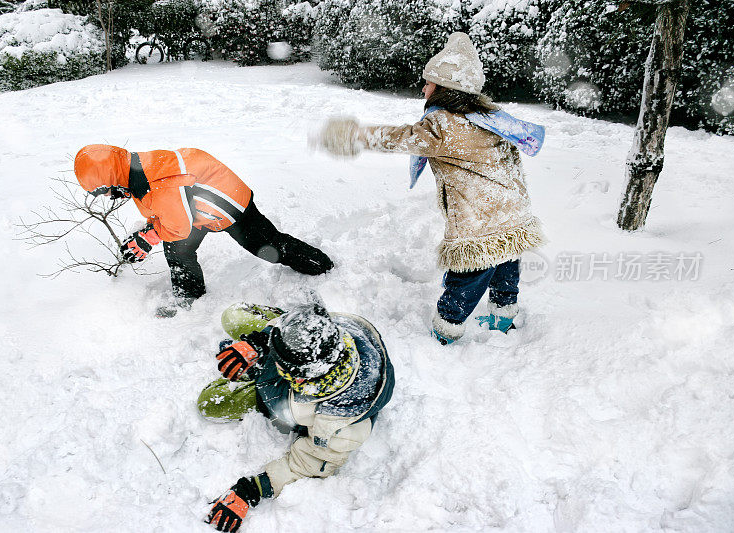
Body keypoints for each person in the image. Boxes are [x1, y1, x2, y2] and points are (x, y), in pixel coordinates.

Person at [317, 32, 546, 344]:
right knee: (505, 263)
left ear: (445, 88)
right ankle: (502, 318)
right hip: (511, 208)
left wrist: (355, 135)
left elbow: (402, 137)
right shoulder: (489, 116)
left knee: (467, 276)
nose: (423, 89)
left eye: (428, 83)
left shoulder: (444, 125)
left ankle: (445, 333)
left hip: (481, 220)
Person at [198, 302, 394, 532]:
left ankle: (260, 376)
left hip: (280, 400)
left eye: (277, 361)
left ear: (298, 379)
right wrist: (259, 342)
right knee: (232, 316)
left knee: (209, 403)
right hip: (294, 366)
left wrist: (252, 490)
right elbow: (295, 323)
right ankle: (274, 354)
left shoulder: (339, 426)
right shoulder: (330, 335)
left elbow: (308, 464)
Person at [73, 145, 334, 316]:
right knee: (177, 248)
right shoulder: (139, 169)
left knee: (269, 248)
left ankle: (321, 265)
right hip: (196, 208)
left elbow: (177, 224)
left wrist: (148, 237)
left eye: (104, 190)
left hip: (229, 205)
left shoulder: (159, 183)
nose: (108, 196)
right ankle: (190, 295)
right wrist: (149, 232)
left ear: (111, 177)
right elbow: (171, 212)